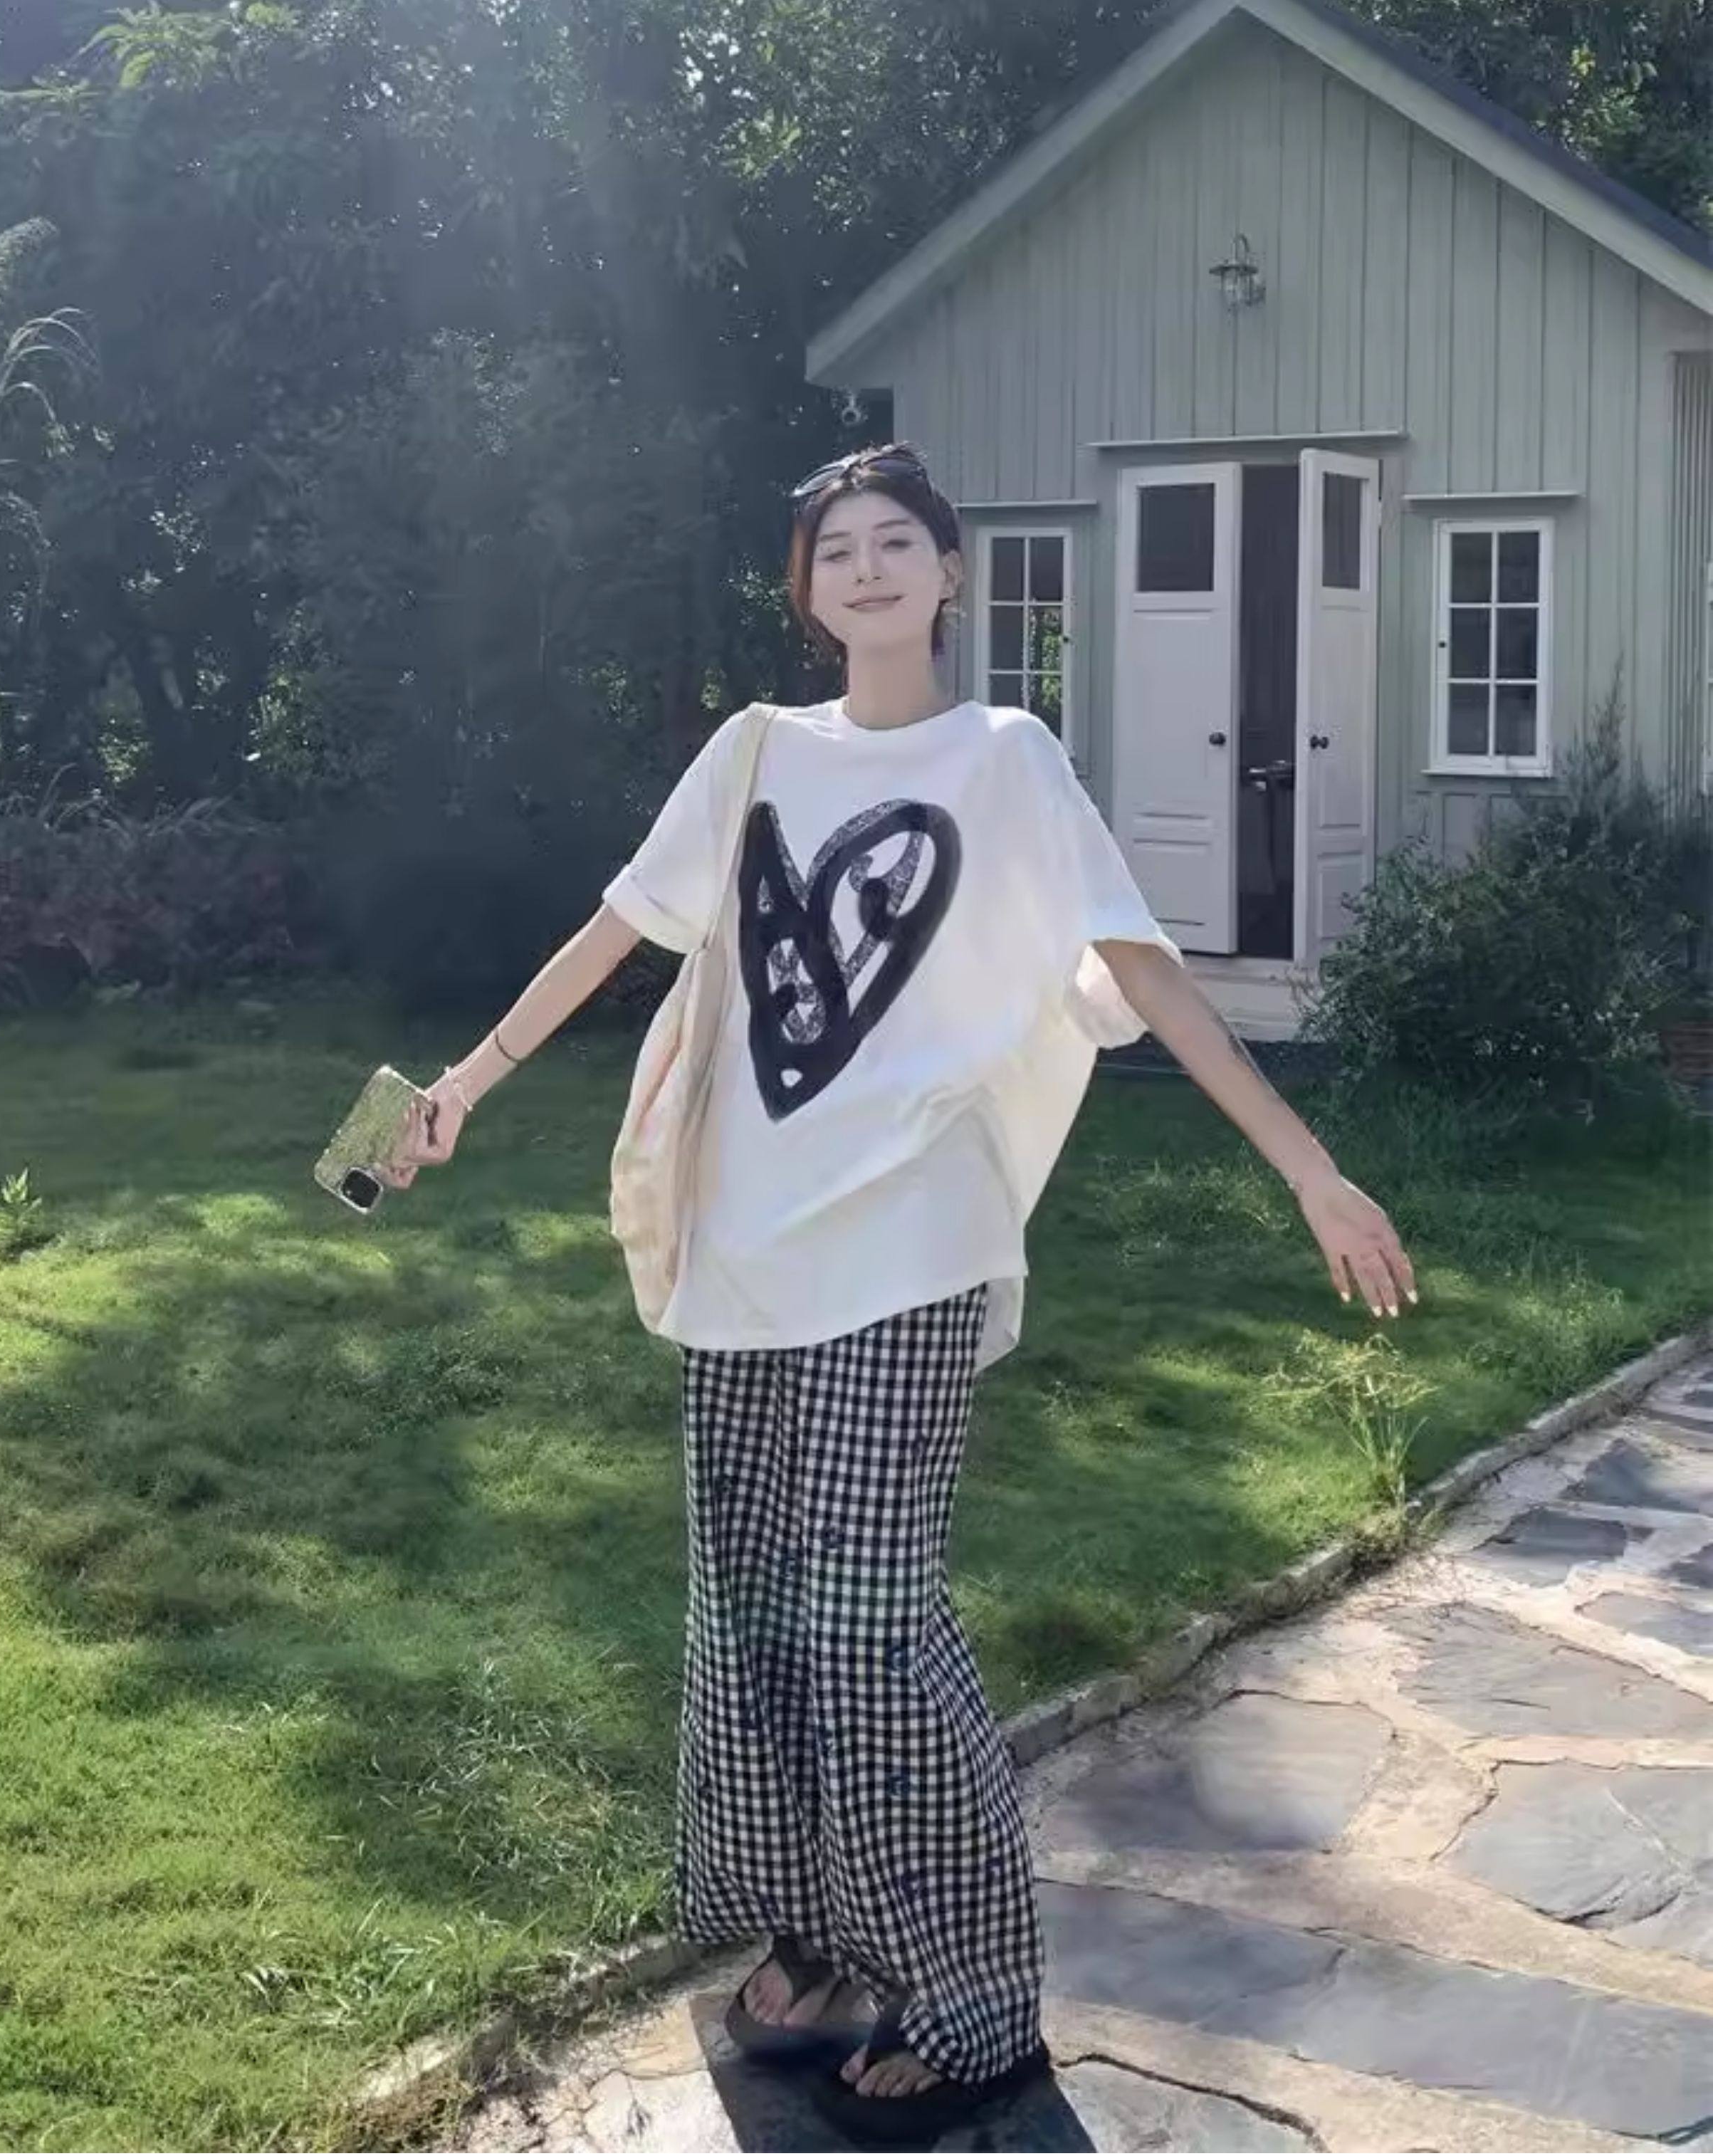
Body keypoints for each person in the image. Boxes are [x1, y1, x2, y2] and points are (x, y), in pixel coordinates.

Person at [380, 441, 1419, 2147]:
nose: (863, 568)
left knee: (872, 1625)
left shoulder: (1006, 758)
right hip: (741, 1247)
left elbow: (1142, 967)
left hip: (911, 1247)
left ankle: (974, 2000)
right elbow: (620, 929)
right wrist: (464, 1085)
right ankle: (820, 1933)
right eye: (834, 548)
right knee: (754, 1612)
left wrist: (1309, 1168)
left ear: (949, 574)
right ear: (806, 590)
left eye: (894, 542)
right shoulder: (752, 753)